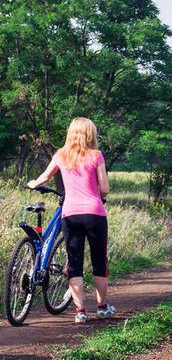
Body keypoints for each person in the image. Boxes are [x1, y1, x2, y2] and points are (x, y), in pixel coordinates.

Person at [27, 117, 115, 323]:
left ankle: (80, 312)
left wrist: (33, 183)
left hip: (70, 215)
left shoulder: (61, 155)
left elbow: (44, 177)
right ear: (90, 134)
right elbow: (105, 189)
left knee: (74, 263)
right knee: (99, 261)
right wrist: (101, 194)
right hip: (95, 214)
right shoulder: (96, 155)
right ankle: (102, 307)